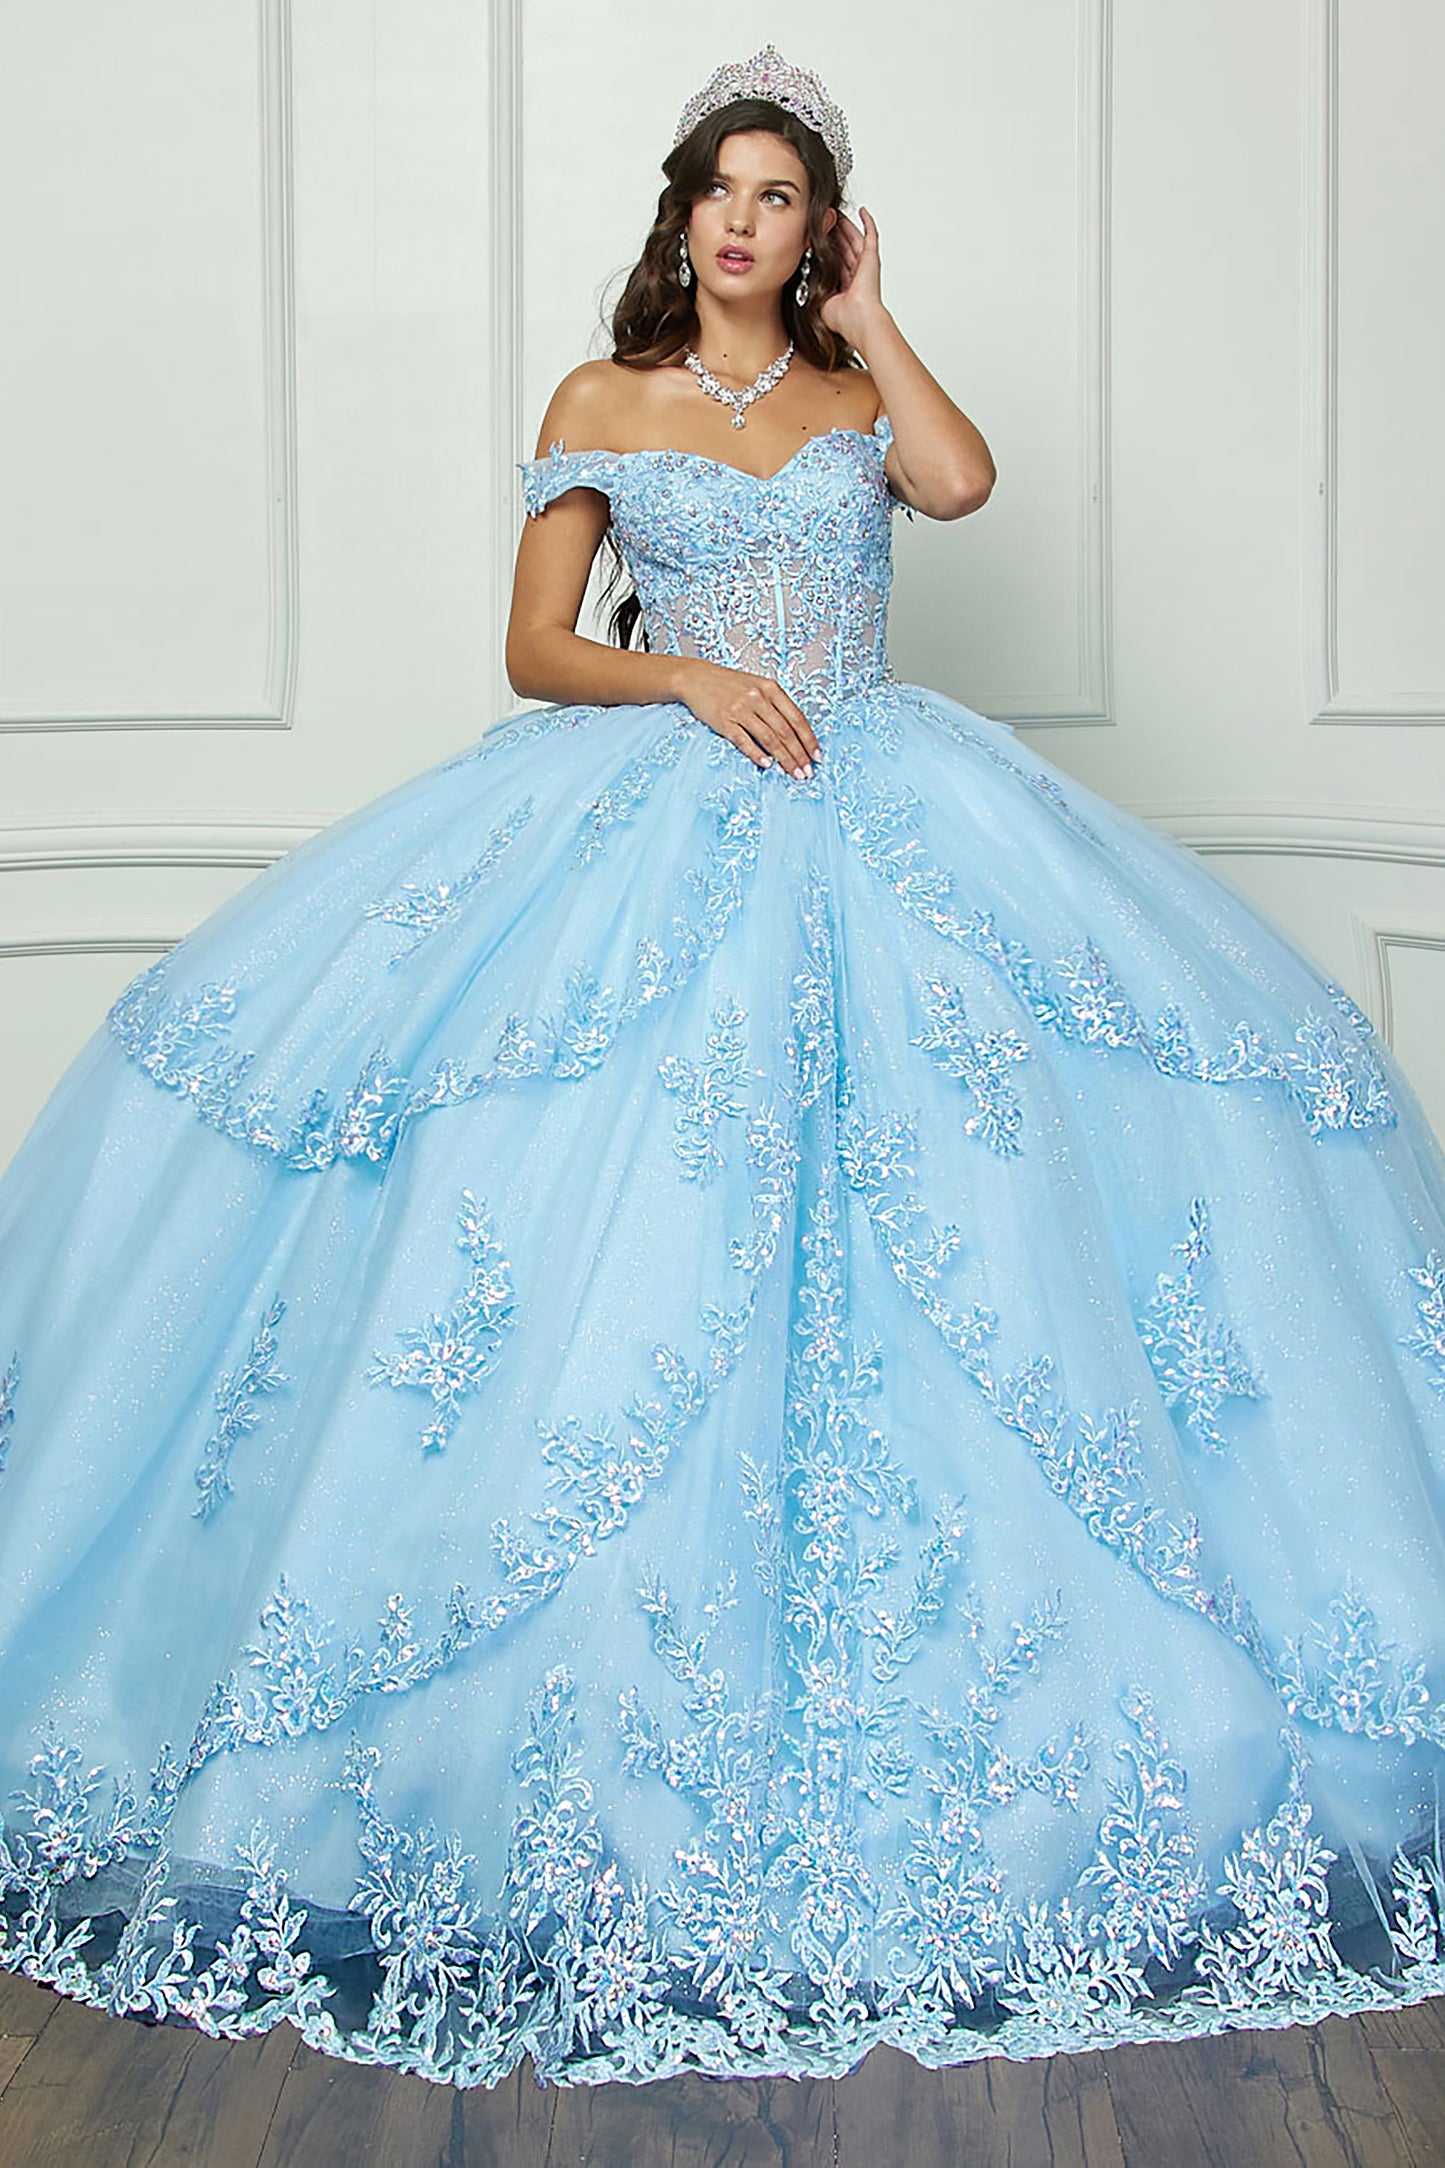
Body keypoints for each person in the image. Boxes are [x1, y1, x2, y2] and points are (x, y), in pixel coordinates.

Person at [1, 41, 1444, 2096]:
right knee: (619, 1243)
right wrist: (682, 668)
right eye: (726, 194)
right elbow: (538, 647)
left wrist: (879, 317)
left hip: (896, 815)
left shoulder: (860, 393)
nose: (748, 223)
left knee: (960, 1239)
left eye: (785, 198)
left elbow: (961, 488)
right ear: (681, 217)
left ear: (816, 230)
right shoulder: (606, 402)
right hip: (665, 803)